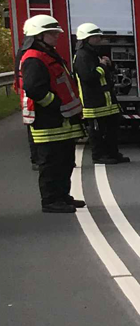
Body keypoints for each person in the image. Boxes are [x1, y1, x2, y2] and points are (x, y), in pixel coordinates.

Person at [19, 14, 86, 213]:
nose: (56, 37)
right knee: (50, 164)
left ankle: (62, 196)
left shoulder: (48, 55)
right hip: (47, 121)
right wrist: (56, 105)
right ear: (38, 36)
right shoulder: (33, 58)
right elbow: (34, 89)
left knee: (65, 161)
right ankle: (50, 201)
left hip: (61, 120)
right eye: (52, 33)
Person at [73, 23, 129, 165]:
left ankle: (113, 153)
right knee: (97, 132)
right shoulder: (82, 56)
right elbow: (88, 76)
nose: (99, 38)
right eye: (95, 36)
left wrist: (107, 65)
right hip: (93, 102)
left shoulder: (92, 53)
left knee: (112, 129)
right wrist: (103, 66)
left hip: (106, 101)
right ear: (87, 38)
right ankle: (99, 156)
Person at [14, 25, 40, 171]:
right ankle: (36, 159)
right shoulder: (29, 54)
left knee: (34, 129)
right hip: (30, 98)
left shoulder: (24, 51)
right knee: (33, 129)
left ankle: (37, 159)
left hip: (28, 97)